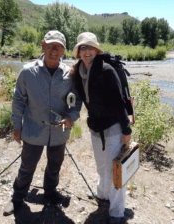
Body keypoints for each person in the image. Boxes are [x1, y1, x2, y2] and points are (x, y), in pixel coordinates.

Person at [3, 30, 81, 216]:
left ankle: (51, 192)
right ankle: (17, 198)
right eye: (50, 45)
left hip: (59, 131)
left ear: (64, 50)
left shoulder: (70, 74)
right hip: (33, 129)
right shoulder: (28, 71)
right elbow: (19, 100)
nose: (54, 50)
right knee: (27, 166)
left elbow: (77, 101)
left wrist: (71, 117)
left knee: (55, 164)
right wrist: (17, 126)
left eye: (58, 46)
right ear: (42, 45)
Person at [71, 32, 131, 224]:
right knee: (101, 166)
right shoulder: (78, 72)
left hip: (113, 127)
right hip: (95, 127)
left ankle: (117, 211)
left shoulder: (107, 70)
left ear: (97, 50)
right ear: (78, 52)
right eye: (83, 47)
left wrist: (126, 130)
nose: (87, 51)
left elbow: (119, 103)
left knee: (115, 170)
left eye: (90, 47)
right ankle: (102, 195)